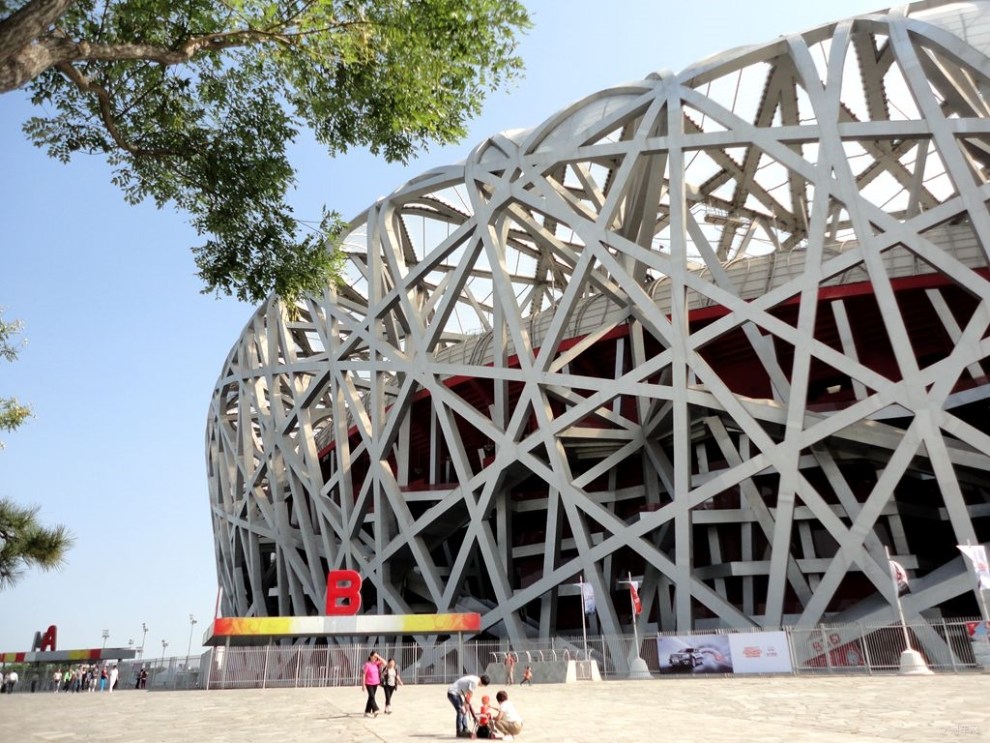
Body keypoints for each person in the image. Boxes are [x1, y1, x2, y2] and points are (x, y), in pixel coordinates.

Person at [447, 673, 490, 738]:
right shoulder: (474, 682)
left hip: (456, 693)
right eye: (483, 686)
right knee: (460, 711)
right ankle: (459, 731)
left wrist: (466, 704)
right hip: (452, 693)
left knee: (463, 711)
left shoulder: (475, 679)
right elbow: (469, 695)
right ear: (482, 683)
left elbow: (469, 695)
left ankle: (465, 728)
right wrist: (465, 705)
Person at [361, 651, 383, 717]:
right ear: (370, 656)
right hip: (369, 683)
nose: (375, 658)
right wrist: (363, 685)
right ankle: (375, 709)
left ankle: (367, 712)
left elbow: (385, 663)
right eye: (374, 656)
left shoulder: (377, 663)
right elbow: (364, 674)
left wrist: (378, 657)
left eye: (376, 657)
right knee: (372, 696)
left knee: (371, 697)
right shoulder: (367, 664)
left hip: (376, 683)